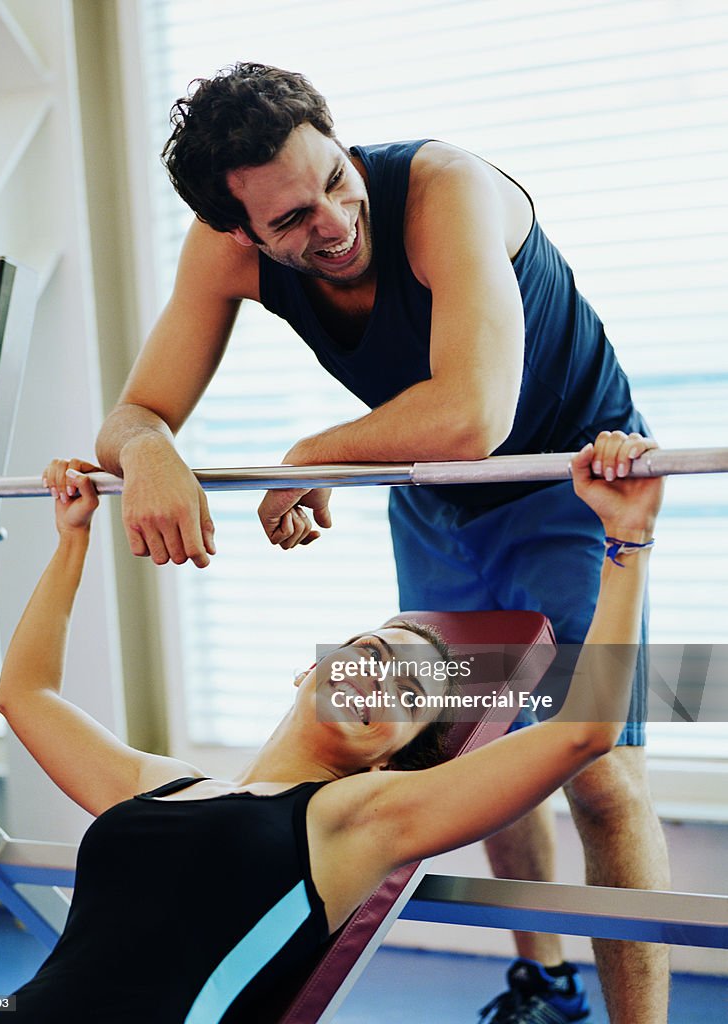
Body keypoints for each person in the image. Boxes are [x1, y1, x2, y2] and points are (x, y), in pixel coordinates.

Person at [92, 63, 670, 1023]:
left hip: (577, 488)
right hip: (437, 501)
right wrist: (148, 449)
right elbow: (136, 410)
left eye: (333, 177)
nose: (331, 220)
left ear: (335, 134)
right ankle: (549, 987)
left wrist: (314, 451)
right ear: (242, 235)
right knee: (477, 760)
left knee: (600, 778)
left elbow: (473, 415)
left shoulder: (446, 188)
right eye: (289, 221)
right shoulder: (222, 249)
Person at [0, 434, 661, 1024]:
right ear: (306, 671)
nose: (378, 677)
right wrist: (72, 539)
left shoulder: (358, 817)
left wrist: (627, 541)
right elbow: (24, 695)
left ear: (395, 758)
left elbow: (586, 732)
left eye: (407, 693)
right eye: (372, 652)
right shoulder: (161, 785)